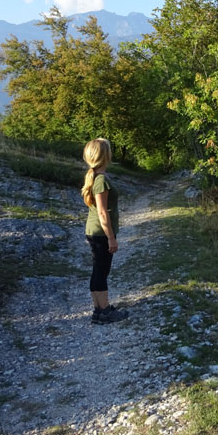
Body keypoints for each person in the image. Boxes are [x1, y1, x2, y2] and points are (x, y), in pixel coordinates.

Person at [82, 138, 128, 324]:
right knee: (101, 271)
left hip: (95, 232)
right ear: (105, 155)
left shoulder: (97, 177)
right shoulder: (100, 180)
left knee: (98, 270)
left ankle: (99, 310)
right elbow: (102, 212)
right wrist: (111, 238)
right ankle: (104, 311)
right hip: (100, 233)